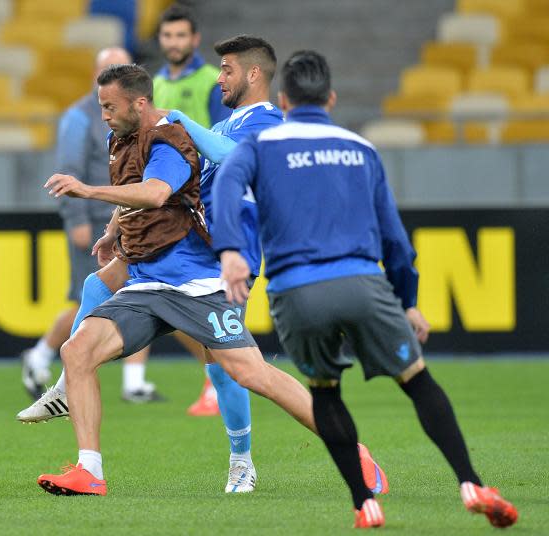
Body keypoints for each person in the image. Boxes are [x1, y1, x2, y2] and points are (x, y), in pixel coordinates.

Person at [32, 63, 386, 498]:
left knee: (251, 374)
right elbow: (134, 196)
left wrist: (86, 191)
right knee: (77, 349)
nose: (102, 114)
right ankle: (90, 471)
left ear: (139, 103)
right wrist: (113, 232)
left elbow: (156, 192)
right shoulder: (119, 139)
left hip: (194, 284)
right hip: (146, 280)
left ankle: (352, 449)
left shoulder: (169, 140)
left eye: (110, 106)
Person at [212, 50, 519, 529]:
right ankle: (470, 482)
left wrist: (230, 250)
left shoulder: (261, 144)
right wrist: (410, 302)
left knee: (326, 392)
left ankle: (363, 503)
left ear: (285, 100)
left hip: (297, 291)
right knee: (417, 381)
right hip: (363, 282)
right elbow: (395, 240)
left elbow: (226, 189)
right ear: (331, 98)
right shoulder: (361, 149)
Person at [20, 47, 162, 403]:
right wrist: (77, 219)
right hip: (98, 221)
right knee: (87, 301)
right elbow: (68, 171)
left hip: (126, 218)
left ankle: (132, 381)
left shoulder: (132, 117)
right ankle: (41, 356)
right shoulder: (80, 118)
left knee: (134, 292)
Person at [153, 4, 233, 415]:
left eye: (181, 36)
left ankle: (220, 381)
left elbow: (222, 139)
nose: (174, 43)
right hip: (163, 202)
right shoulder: (153, 84)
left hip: (199, 202)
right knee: (160, 292)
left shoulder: (208, 80)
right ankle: (215, 379)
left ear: (194, 39)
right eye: (168, 36)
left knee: (204, 297)